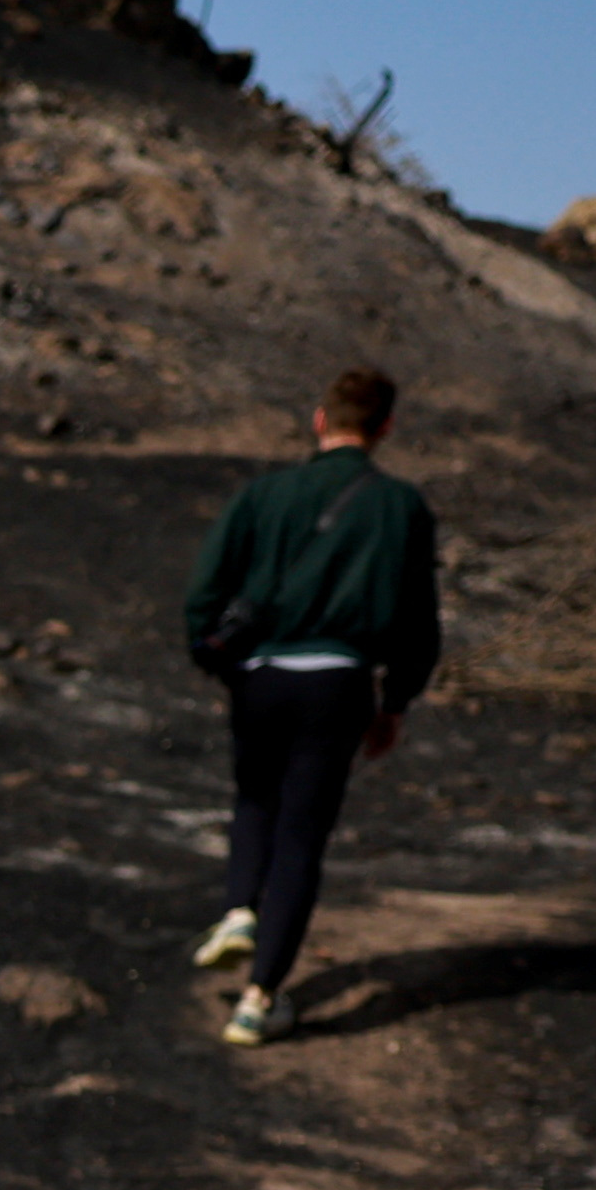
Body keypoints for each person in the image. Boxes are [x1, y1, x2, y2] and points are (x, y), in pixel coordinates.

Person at [178, 366, 443, 1045]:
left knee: (254, 800)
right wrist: (396, 701)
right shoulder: (401, 508)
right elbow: (417, 621)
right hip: (341, 681)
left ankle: (239, 907)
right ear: (385, 428)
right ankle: (260, 1000)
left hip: (262, 674)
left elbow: (205, 592)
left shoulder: (265, 495)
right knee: (302, 835)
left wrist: (217, 661)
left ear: (319, 419)